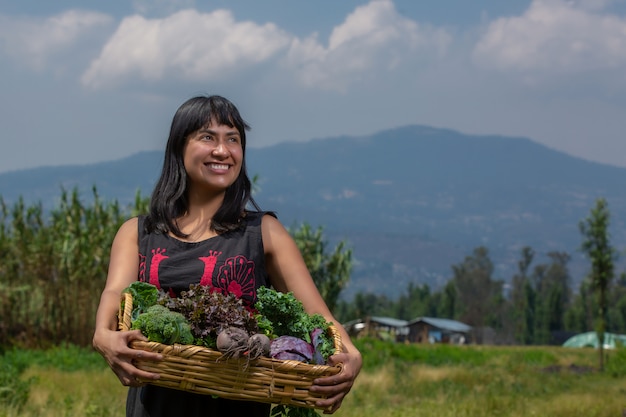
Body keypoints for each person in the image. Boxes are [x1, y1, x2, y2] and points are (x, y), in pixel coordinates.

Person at [92, 95, 362, 416]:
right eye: (208, 137)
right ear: (180, 146)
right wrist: (101, 335)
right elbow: (114, 292)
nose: (222, 151)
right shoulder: (138, 232)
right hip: (155, 407)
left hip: (239, 406)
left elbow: (319, 316)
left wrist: (352, 353)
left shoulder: (264, 232)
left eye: (232, 139)